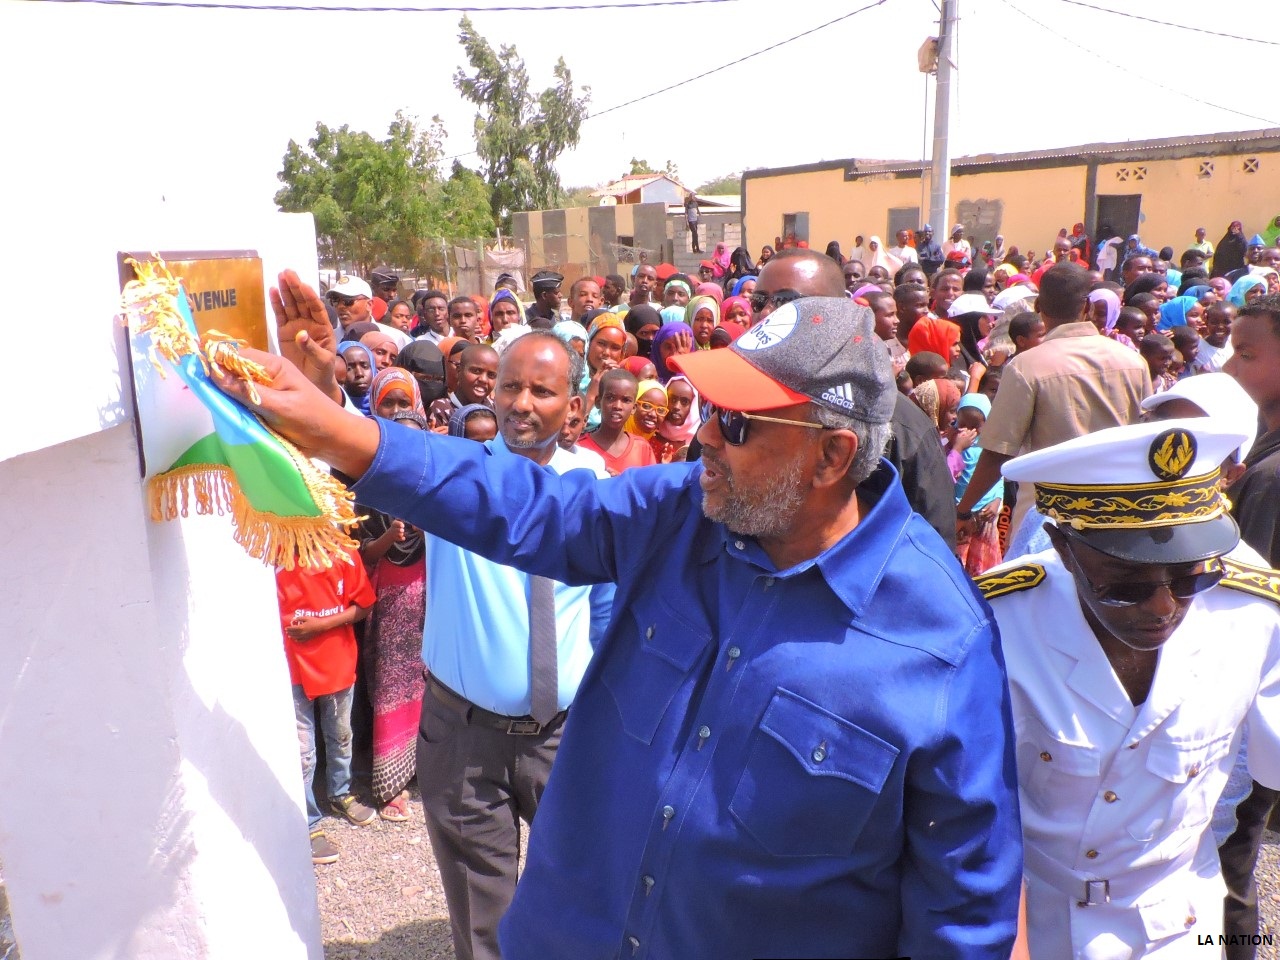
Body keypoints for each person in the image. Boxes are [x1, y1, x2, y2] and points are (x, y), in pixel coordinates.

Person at [216, 273, 1023, 957]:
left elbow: (961, 915)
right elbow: (521, 505)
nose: (703, 435)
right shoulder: (682, 512)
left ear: (833, 456)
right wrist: (344, 431)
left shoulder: (940, 644)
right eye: (709, 407)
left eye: (738, 423)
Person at [981, 417, 1280, 958]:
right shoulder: (996, 623)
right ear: (1062, 547)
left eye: (1192, 577)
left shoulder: (1252, 614)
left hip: (1180, 923)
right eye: (1126, 586)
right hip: (1030, 923)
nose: (1164, 608)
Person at [754, 249, 958, 546]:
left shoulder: (898, 424)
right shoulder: (731, 405)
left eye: (786, 301)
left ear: (840, 312)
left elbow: (933, 542)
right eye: (759, 301)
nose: (766, 314)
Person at [955, 263, 1151, 540]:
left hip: (1048, 521)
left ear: (1038, 308)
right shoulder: (1133, 361)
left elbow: (999, 450)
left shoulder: (1027, 366)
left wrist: (963, 512)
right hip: (1118, 516)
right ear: (1088, 308)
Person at [275, 542, 378, 864]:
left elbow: (364, 605)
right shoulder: (273, 558)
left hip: (336, 663)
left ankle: (340, 793)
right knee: (303, 751)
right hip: (291, 668)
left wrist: (322, 624)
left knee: (341, 736)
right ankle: (308, 821)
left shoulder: (343, 554)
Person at [946, 392, 1003, 575]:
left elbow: (996, 476)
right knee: (957, 567)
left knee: (981, 570)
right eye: (963, 424)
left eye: (975, 426)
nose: (968, 431)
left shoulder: (990, 448)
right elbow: (945, 475)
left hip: (985, 517)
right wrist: (957, 448)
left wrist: (997, 501)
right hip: (958, 516)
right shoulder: (949, 445)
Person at [576, 368, 656, 475]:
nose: (617, 406)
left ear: (634, 408)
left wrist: (622, 484)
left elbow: (649, 489)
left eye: (626, 400)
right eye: (610, 398)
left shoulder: (642, 448)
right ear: (598, 402)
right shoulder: (579, 447)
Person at [1195, 301, 1235, 372]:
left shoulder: (1236, 342)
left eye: (1227, 322)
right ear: (1207, 323)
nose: (1220, 326)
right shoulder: (1198, 350)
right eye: (1214, 322)